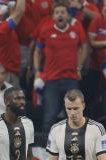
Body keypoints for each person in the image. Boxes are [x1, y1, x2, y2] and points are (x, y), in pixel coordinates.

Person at [34, 2, 88, 133]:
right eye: (57, 12)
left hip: (71, 79)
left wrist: (79, 67)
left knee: (75, 117)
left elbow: (84, 47)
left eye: (63, 12)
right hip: (51, 80)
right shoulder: (46, 31)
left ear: (68, 15)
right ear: (53, 16)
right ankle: (45, 150)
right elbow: (37, 51)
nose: (60, 15)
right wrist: (37, 71)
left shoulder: (76, 29)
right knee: (49, 116)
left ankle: (75, 148)